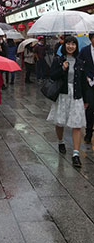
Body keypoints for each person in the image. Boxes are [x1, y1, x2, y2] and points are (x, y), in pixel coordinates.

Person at [47, 36, 87, 168]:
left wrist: (86, 100)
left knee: (77, 125)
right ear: (64, 46)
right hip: (62, 95)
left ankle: (75, 154)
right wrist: (62, 69)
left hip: (76, 96)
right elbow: (52, 75)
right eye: (68, 44)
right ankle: (60, 141)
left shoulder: (80, 62)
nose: (71, 46)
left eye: (73, 44)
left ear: (76, 46)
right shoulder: (58, 60)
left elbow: (83, 83)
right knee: (60, 122)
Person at [78, 33, 94, 144]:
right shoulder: (85, 50)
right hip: (89, 84)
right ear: (91, 39)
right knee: (90, 108)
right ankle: (88, 133)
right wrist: (86, 76)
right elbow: (79, 64)